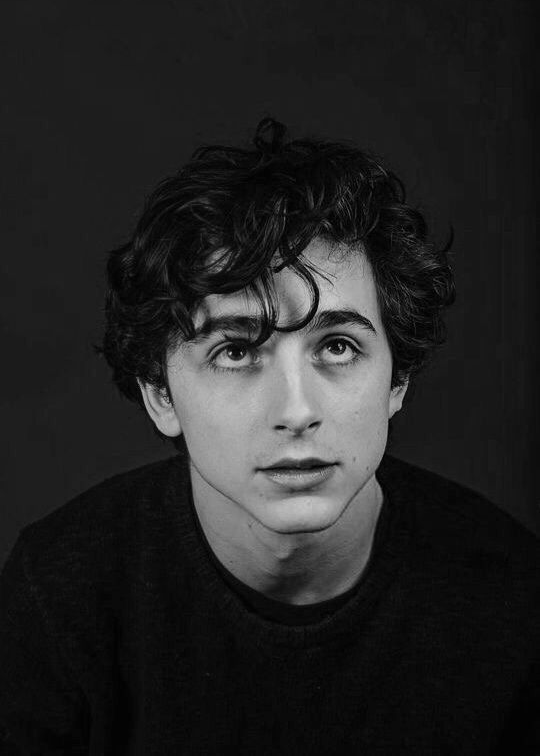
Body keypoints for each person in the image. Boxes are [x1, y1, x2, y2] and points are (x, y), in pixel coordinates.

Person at [0, 119, 538, 755]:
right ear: (160, 395)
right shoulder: (59, 594)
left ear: (398, 382)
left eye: (338, 346)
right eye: (234, 351)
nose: (296, 410)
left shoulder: (513, 602)